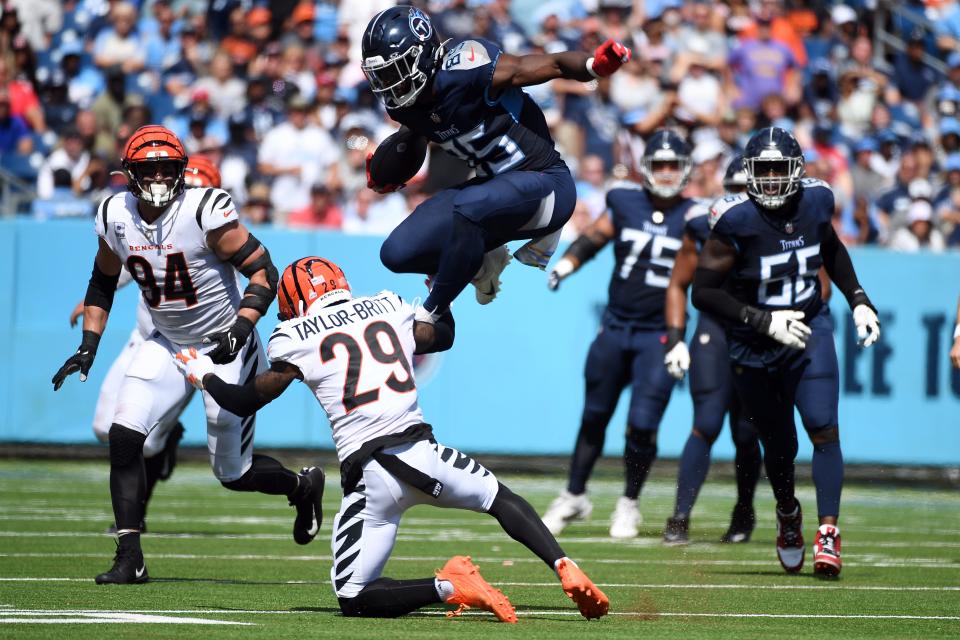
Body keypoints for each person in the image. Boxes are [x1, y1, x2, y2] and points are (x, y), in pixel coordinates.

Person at [173, 257, 609, 622]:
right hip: (425, 452)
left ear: (295, 303)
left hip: (372, 477)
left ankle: (447, 587)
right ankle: (563, 564)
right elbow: (443, 336)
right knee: (499, 497)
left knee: (354, 595)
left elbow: (245, 401)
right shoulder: (385, 306)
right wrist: (441, 290)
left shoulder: (296, 335)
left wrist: (203, 376)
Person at [51, 126, 324, 585]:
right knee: (123, 434)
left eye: (166, 168)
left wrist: (241, 328)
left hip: (223, 344)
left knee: (232, 473)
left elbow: (263, 270)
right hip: (167, 343)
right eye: (148, 168)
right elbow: (102, 281)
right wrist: (89, 344)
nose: (158, 177)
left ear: (181, 171)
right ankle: (130, 556)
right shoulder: (113, 214)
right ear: (129, 173)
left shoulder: (204, 210)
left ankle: (301, 486)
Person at [691, 127, 881, 577]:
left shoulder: (817, 202)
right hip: (754, 342)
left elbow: (831, 249)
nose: (772, 179)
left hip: (809, 325)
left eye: (780, 169)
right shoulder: (734, 220)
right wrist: (761, 319)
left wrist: (858, 298)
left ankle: (828, 534)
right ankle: (787, 512)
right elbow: (703, 292)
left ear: (797, 170)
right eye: (764, 170)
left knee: (823, 426)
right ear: (751, 173)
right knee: (778, 446)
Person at [362, 5, 630, 324]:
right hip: (490, 192)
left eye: (395, 70)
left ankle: (432, 311)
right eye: (382, 75)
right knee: (396, 252)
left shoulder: (465, 67)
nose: (390, 84)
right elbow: (413, 142)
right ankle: (478, 259)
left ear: (421, 54)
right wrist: (386, 171)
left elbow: (551, 64)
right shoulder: (407, 107)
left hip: (546, 184)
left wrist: (593, 64)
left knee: (469, 206)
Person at [540, 129, 704, 539]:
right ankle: (574, 494)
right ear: (646, 167)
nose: (666, 173)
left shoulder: (698, 216)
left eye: (673, 165)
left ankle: (629, 502)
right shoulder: (624, 200)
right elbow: (596, 237)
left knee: (643, 424)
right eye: (660, 164)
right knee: (594, 415)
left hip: (659, 335)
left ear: (685, 170)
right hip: (616, 326)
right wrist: (567, 264)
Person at [65, 154, 224, 533]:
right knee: (107, 426)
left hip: (195, 343)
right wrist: (93, 301)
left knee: (145, 440)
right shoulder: (138, 218)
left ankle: (134, 520)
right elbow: (127, 260)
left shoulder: (212, 226)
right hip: (149, 336)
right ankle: (161, 450)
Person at [660, 156, 763, 545]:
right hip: (716, 330)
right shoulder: (703, 225)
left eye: (745, 191)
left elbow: (815, 280)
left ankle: (744, 510)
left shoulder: (779, 226)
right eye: (732, 191)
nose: (738, 199)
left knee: (747, 431)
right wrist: (675, 336)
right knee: (705, 422)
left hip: (758, 332)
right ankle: (680, 516)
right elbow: (678, 283)